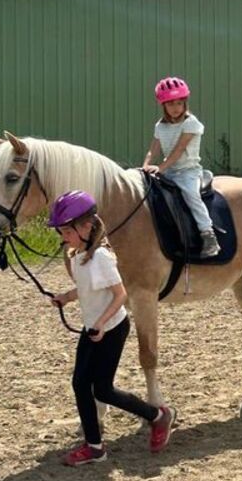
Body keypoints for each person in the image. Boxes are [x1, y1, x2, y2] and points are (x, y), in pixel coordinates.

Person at [48, 190, 176, 466]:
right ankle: (94, 447)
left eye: (66, 232)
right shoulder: (77, 255)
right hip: (93, 327)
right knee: (80, 384)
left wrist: (103, 324)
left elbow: (120, 295)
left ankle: (157, 416)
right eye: (61, 233)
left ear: (86, 227)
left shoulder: (102, 258)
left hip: (111, 328)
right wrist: (65, 297)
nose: (63, 238)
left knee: (102, 389)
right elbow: (86, 288)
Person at [142, 76, 220, 258]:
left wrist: (160, 168)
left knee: (191, 195)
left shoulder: (191, 123)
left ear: (185, 103)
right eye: (171, 104)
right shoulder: (160, 126)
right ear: (163, 106)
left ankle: (208, 234)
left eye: (179, 103)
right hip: (168, 170)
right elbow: (153, 149)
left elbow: (178, 150)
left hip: (188, 171)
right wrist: (145, 165)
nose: (175, 108)